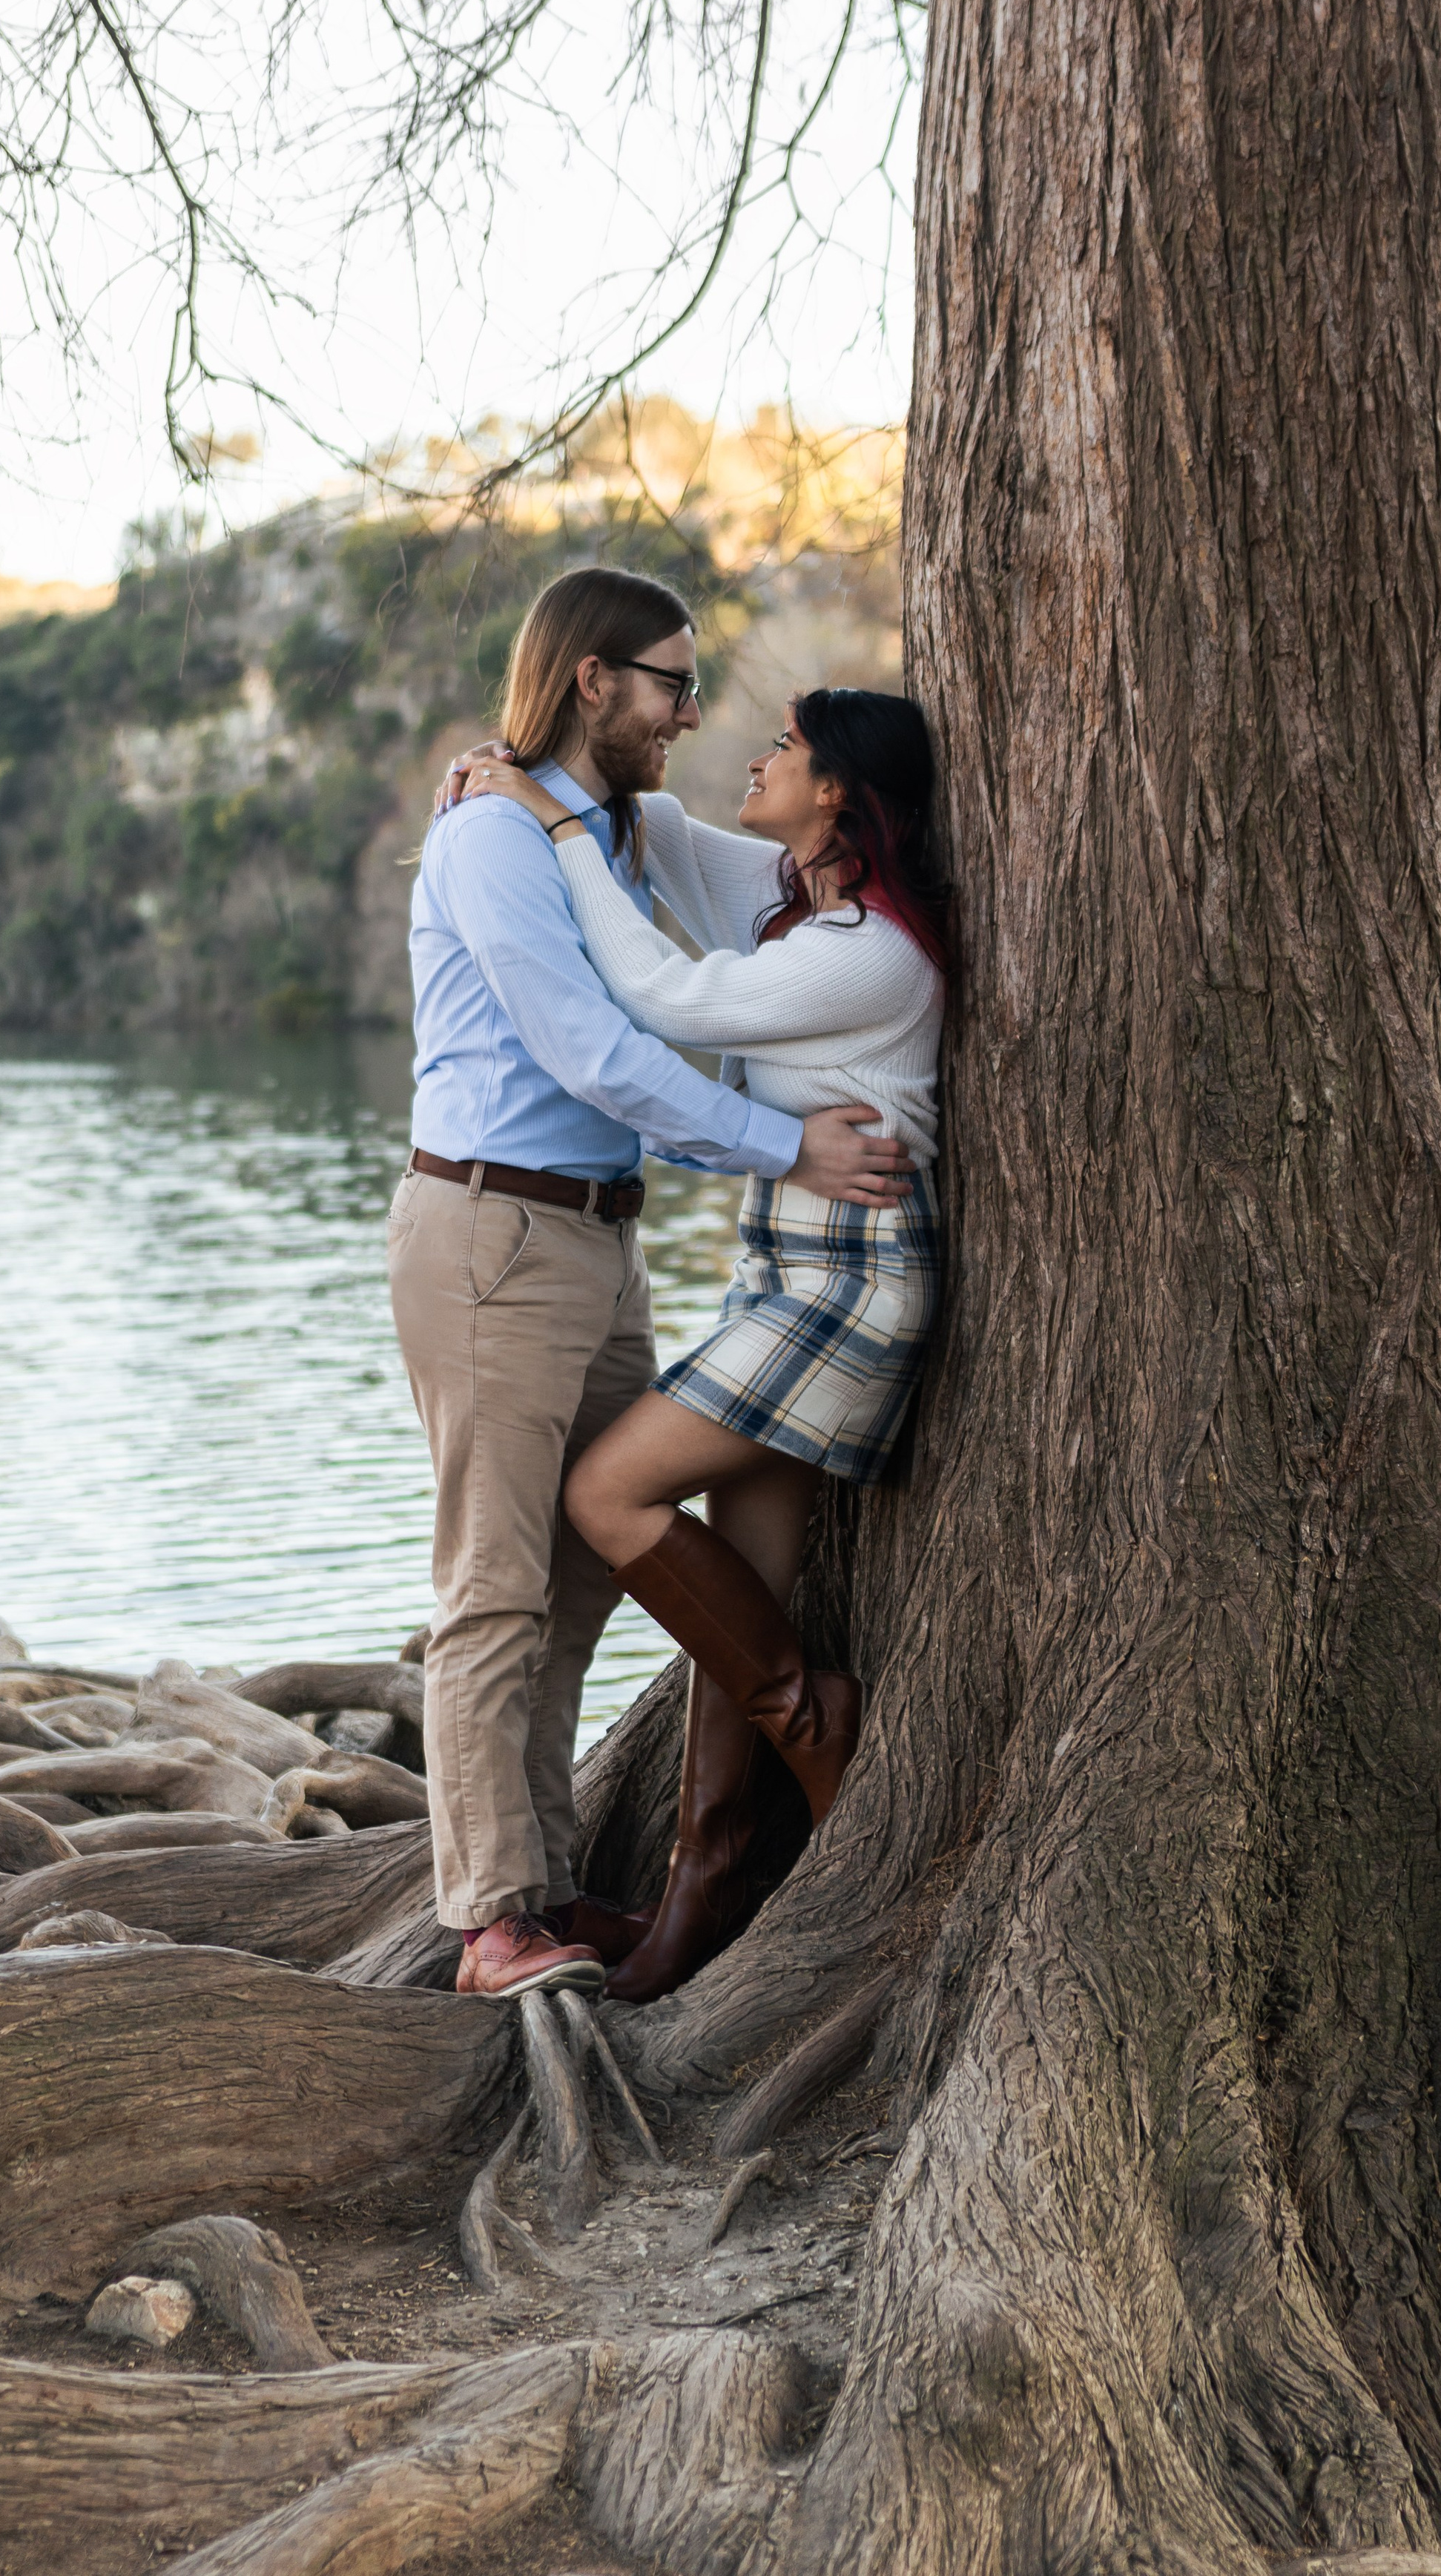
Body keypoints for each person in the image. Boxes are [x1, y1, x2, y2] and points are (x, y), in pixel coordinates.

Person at [392, 569, 915, 2003]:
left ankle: (553, 1883)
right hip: (492, 1231)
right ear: (591, 682)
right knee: (494, 1587)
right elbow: (594, 1053)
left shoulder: (623, 830)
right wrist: (786, 1145)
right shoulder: (498, 841)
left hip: (596, 1237)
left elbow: (815, 880)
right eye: (673, 684)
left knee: (583, 1566)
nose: (693, 711)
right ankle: (492, 1921)